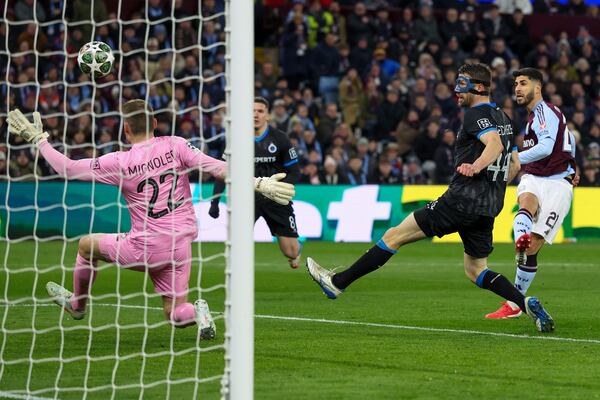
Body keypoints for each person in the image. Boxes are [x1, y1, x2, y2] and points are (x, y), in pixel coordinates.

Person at [6, 101, 295, 337]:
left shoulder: (119, 161)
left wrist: (39, 140)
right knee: (174, 313)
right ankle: (197, 312)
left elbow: (67, 168)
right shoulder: (178, 145)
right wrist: (257, 182)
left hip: (144, 247)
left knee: (85, 245)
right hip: (180, 247)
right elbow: (216, 167)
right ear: (155, 124)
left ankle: (78, 305)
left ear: (126, 129)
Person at [306, 63, 555, 333]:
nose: (456, 90)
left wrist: (477, 166)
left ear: (479, 87)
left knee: (393, 236)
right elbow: (515, 164)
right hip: (488, 206)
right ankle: (525, 302)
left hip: (460, 200)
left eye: (462, 83)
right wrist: (493, 185)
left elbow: (493, 144)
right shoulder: (505, 118)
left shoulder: (475, 115)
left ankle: (337, 282)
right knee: (476, 270)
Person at [485, 68, 577, 319]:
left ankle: (514, 302)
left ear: (538, 88)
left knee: (534, 246)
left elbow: (547, 147)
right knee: (525, 202)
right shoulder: (538, 116)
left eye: (523, 83)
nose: (517, 88)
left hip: (558, 184)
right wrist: (573, 161)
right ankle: (521, 239)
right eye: (515, 84)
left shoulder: (545, 111)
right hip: (536, 176)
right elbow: (567, 138)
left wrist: (512, 157)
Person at [208, 97, 302, 269]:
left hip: (275, 198)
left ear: (267, 115)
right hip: (246, 200)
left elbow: (295, 171)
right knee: (238, 246)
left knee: (291, 252)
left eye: (260, 111)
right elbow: (223, 172)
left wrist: (280, 188)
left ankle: (295, 250)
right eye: (252, 111)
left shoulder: (280, 139)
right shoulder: (236, 140)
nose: (255, 115)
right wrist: (214, 202)